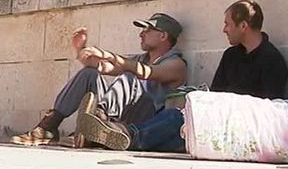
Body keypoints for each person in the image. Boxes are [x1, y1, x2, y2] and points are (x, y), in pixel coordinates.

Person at [76, 0, 288, 152]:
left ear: (243, 26)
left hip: (241, 126)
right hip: (218, 118)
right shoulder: (231, 55)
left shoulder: (272, 60)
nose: (224, 29)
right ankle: (111, 136)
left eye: (227, 24)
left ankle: (123, 136)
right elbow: (216, 93)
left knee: (178, 127)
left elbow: (271, 109)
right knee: (179, 119)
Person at [10, 13, 187, 146]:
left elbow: (145, 72)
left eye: (147, 30)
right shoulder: (139, 59)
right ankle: (49, 126)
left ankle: (98, 122)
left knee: (130, 75)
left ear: (163, 35)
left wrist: (111, 57)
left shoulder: (176, 64)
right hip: (120, 115)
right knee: (90, 73)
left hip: (147, 121)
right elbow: (106, 67)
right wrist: (83, 51)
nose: (141, 34)